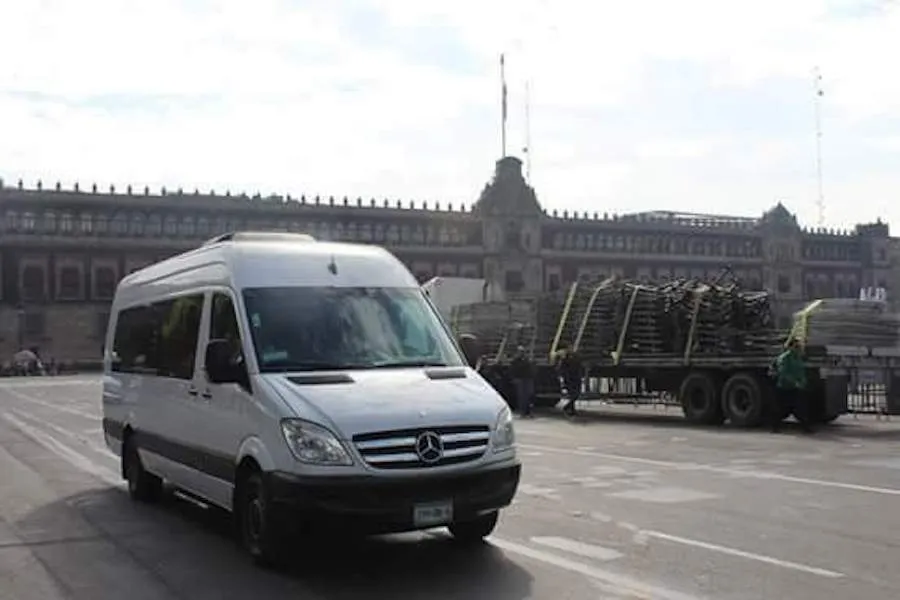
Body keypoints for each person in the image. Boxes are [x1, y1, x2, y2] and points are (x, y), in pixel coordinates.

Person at [771, 338, 811, 433]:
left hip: (795, 387)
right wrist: (794, 382)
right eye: (796, 346)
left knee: (801, 407)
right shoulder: (785, 358)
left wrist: (803, 382)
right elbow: (783, 373)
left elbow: (801, 371)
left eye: (799, 346)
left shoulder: (798, 357)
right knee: (781, 408)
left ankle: (806, 427)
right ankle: (775, 427)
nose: (798, 348)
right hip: (784, 387)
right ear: (790, 347)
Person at [556, 345, 583, 417]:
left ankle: (570, 408)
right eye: (570, 348)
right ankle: (569, 408)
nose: (571, 349)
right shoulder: (565, 358)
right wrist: (563, 377)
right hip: (569, 379)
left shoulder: (576, 357)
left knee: (576, 394)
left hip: (576, 378)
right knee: (573, 394)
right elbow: (561, 369)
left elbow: (579, 366)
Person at [509, 345, 535, 417]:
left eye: (523, 351)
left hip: (528, 379)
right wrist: (514, 378)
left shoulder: (527, 359)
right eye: (520, 351)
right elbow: (513, 369)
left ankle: (529, 411)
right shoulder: (516, 360)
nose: (522, 353)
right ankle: (523, 412)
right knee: (522, 397)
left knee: (529, 395)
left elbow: (532, 369)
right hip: (520, 379)